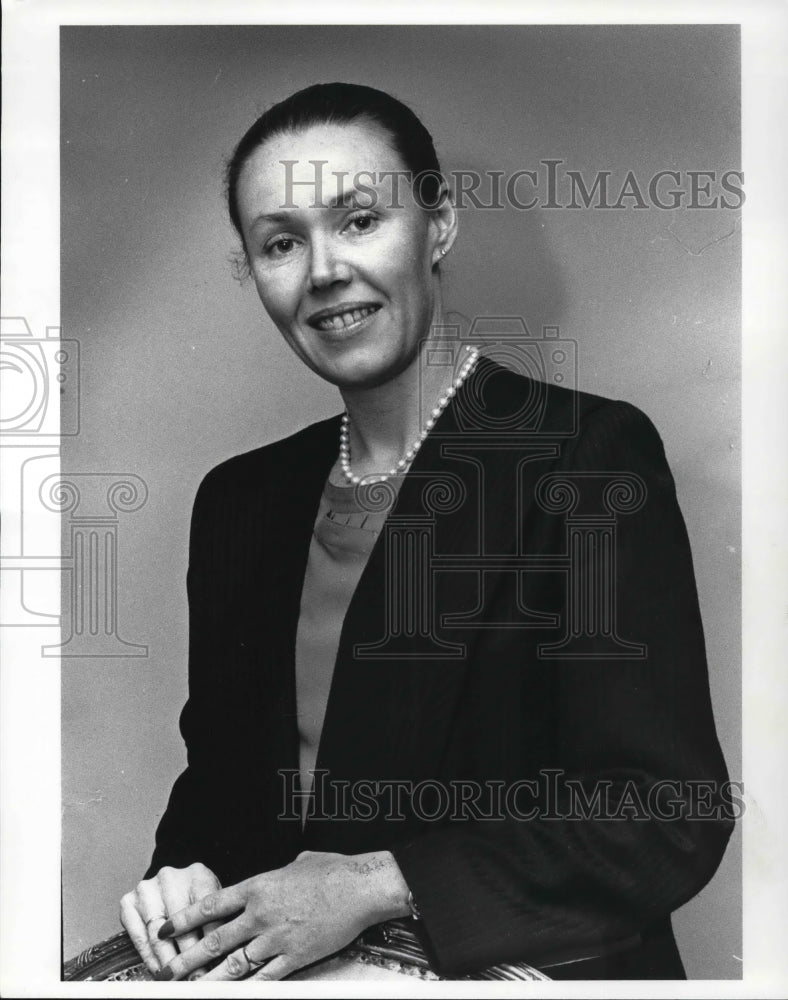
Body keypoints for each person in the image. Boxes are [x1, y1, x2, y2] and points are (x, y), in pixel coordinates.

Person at [119, 82, 733, 981]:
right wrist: (180, 877)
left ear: (439, 226)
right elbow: (220, 789)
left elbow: (663, 815)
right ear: (255, 274)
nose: (324, 269)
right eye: (281, 242)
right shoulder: (240, 500)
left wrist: (377, 883)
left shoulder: (583, 459)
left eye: (360, 220)